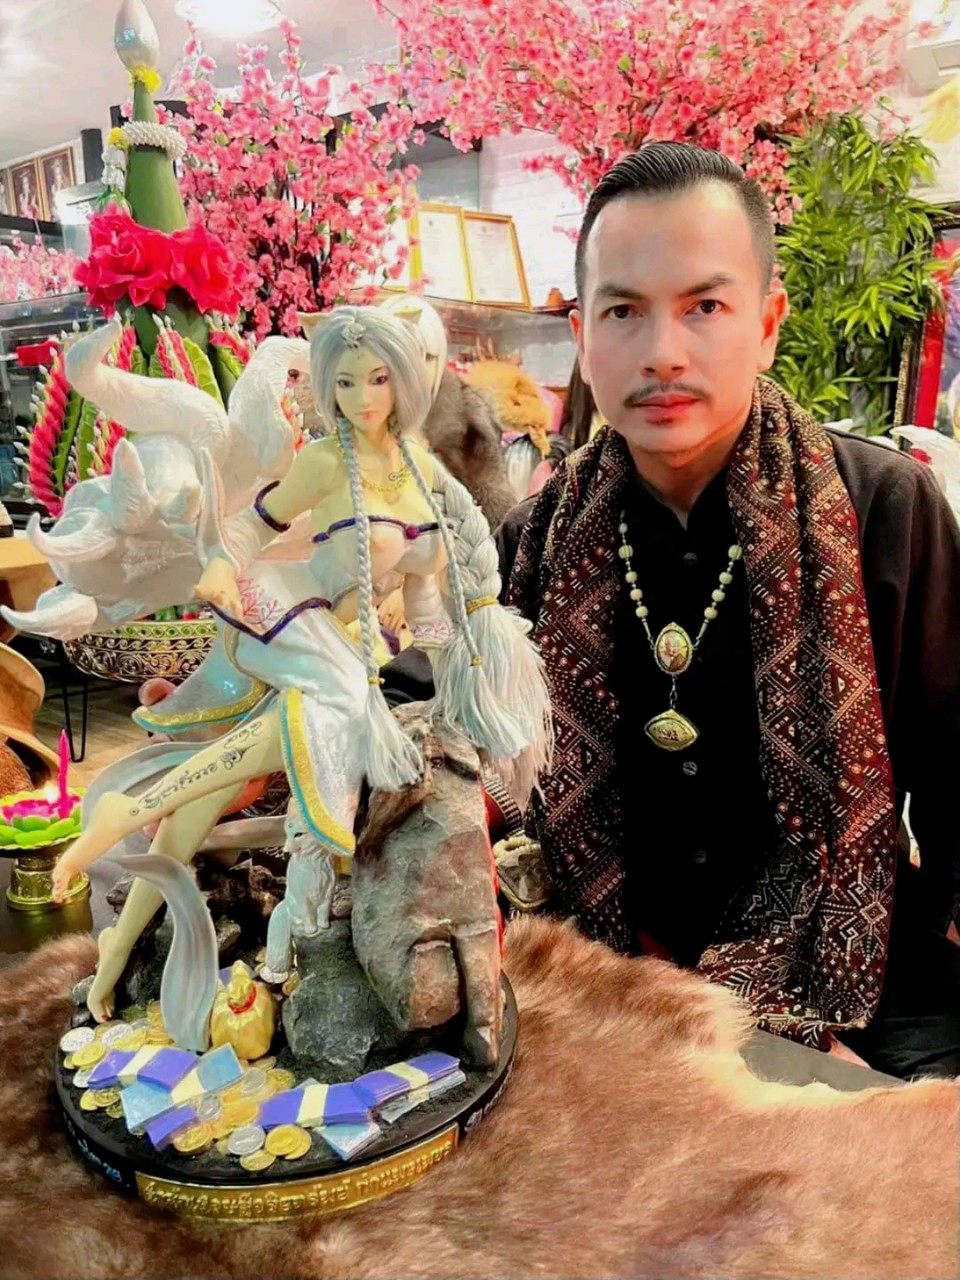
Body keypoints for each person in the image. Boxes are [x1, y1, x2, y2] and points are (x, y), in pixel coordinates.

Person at [393, 141, 960, 1079]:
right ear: (583, 335)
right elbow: (435, 700)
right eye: (623, 311)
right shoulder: (533, 540)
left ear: (767, 323)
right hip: (604, 965)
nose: (662, 353)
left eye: (705, 307)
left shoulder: (884, 509)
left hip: (853, 972)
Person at [49, 306, 550, 1021]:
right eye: (344, 383)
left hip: (337, 636)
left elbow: (425, 600)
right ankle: (133, 808)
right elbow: (251, 527)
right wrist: (220, 566)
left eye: (377, 379)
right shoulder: (325, 461)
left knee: (236, 781)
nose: (362, 398)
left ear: (407, 380)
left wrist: (456, 681)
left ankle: (115, 954)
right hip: (272, 603)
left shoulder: (423, 476)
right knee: (344, 697)